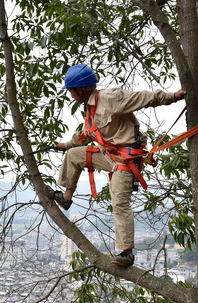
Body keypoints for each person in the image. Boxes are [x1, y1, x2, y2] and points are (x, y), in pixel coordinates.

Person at [45, 64, 186, 267]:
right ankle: (66, 198)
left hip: (127, 158)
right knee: (73, 154)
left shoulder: (110, 98)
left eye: (71, 90)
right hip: (109, 155)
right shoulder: (90, 108)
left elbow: (144, 98)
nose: (70, 95)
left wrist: (172, 97)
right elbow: (87, 133)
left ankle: (126, 253)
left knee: (119, 201)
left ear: (81, 89)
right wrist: (66, 144)